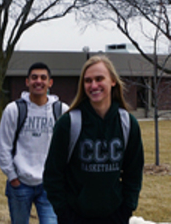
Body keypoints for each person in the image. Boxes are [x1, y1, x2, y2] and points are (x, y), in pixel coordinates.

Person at [43, 55, 144, 224]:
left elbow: (133, 174)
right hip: (75, 217)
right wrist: (65, 213)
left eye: (99, 79)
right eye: (88, 81)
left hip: (115, 217)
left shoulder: (127, 123)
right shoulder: (68, 123)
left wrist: (126, 209)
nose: (93, 85)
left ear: (112, 81)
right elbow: (53, 175)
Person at [0, 62, 68, 224]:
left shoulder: (62, 110)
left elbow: (69, 147)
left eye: (43, 78)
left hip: (49, 185)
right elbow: (3, 147)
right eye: (34, 77)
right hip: (20, 184)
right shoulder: (13, 110)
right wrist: (12, 176)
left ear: (50, 83)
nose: (39, 81)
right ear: (27, 81)